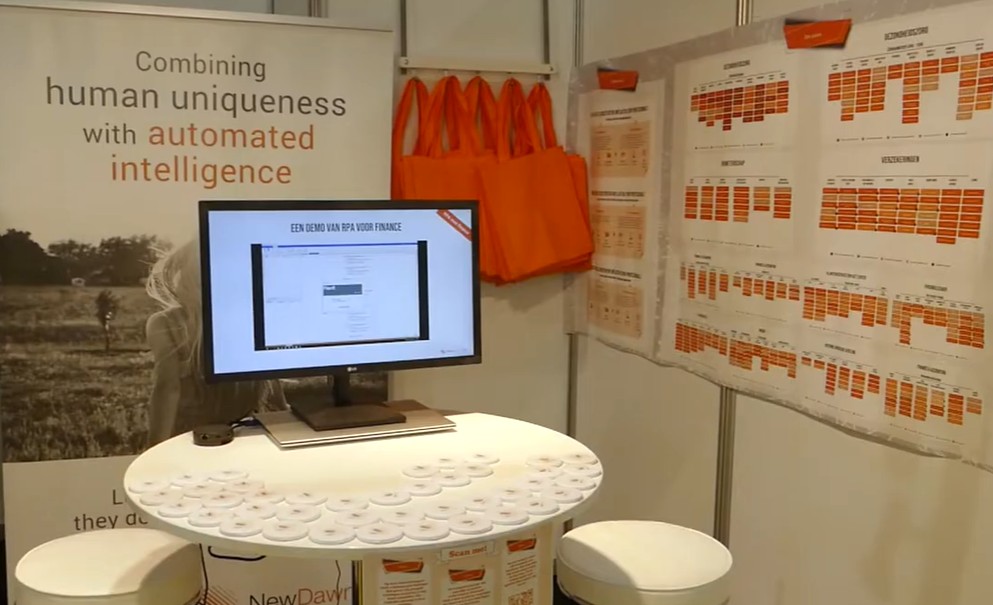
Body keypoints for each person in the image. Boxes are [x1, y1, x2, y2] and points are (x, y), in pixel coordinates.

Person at [144, 239, 286, 446]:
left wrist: (154, 448)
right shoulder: (251, 320)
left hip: (189, 440)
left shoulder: (165, 323)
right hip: (243, 437)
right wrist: (285, 420)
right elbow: (272, 383)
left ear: (185, 275)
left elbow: (168, 387)